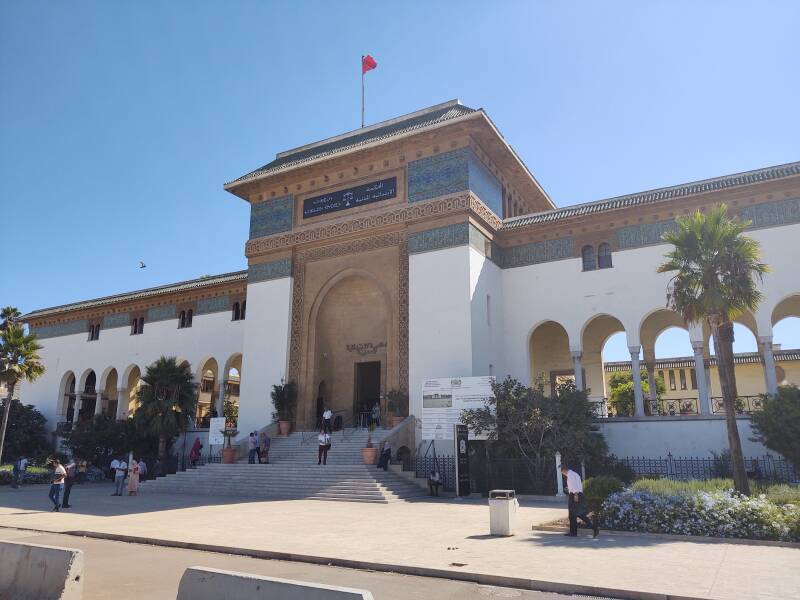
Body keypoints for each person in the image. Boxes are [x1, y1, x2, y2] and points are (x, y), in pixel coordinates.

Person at [561, 465, 599, 538]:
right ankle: (574, 532)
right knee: (574, 515)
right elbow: (576, 485)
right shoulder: (575, 474)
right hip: (577, 494)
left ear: (564, 470)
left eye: (563, 473)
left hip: (575, 495)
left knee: (574, 515)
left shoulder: (570, 475)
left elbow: (574, 485)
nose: (563, 474)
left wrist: (575, 495)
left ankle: (593, 528)